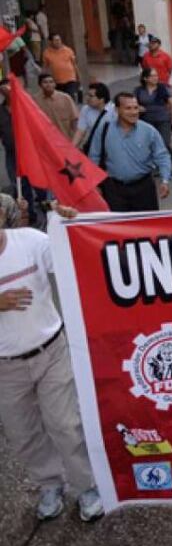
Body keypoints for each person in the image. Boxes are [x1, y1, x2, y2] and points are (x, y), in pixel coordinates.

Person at [0, 208, 105, 523]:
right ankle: (49, 484)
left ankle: (87, 485)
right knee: (23, 433)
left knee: (65, 424)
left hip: (51, 351)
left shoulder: (31, 241)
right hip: (6, 368)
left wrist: (71, 224)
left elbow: (75, 259)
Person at [88, 92, 172, 211]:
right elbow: (94, 157)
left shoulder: (149, 131)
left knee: (147, 222)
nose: (133, 112)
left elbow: (162, 156)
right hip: (114, 190)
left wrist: (165, 180)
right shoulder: (104, 130)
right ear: (117, 110)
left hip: (144, 189)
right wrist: (95, 185)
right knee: (120, 223)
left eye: (136, 108)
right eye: (128, 108)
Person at [134, 67, 172, 163]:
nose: (156, 78)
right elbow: (133, 103)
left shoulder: (163, 88)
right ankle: (155, 164)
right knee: (150, 144)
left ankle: (168, 163)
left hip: (162, 120)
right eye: (152, 76)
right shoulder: (139, 90)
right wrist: (138, 107)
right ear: (145, 78)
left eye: (156, 75)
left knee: (164, 143)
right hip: (146, 121)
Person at [33, 74, 78, 141]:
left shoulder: (65, 98)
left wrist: (76, 140)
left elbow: (74, 120)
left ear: (55, 84)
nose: (49, 85)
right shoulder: (34, 100)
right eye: (45, 82)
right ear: (40, 85)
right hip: (45, 140)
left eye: (51, 82)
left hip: (64, 139)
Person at [72, 83, 114, 150]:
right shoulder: (86, 109)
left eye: (91, 96)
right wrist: (70, 149)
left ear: (101, 99)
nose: (87, 98)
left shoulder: (114, 111)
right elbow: (80, 131)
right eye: (87, 95)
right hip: (94, 150)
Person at [41, 34, 80, 100]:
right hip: (57, 81)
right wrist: (43, 80)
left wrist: (78, 77)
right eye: (56, 40)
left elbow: (74, 64)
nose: (58, 42)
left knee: (70, 98)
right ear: (50, 42)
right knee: (60, 99)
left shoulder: (68, 50)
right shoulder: (47, 53)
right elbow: (45, 67)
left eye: (59, 40)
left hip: (70, 79)